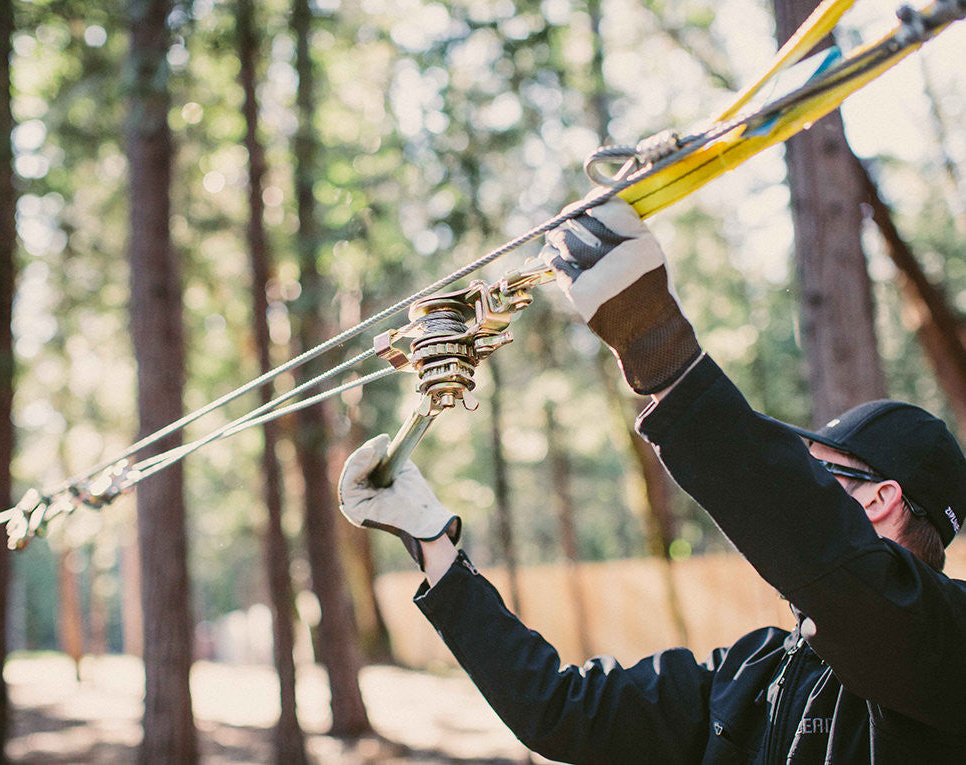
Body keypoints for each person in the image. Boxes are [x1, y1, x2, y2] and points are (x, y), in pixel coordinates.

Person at [338, 194, 966, 762]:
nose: (795, 478)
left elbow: (841, 570)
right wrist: (432, 545)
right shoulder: (755, 671)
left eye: (818, 471)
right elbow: (560, 713)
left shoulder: (951, 653)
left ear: (882, 500)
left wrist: (654, 342)